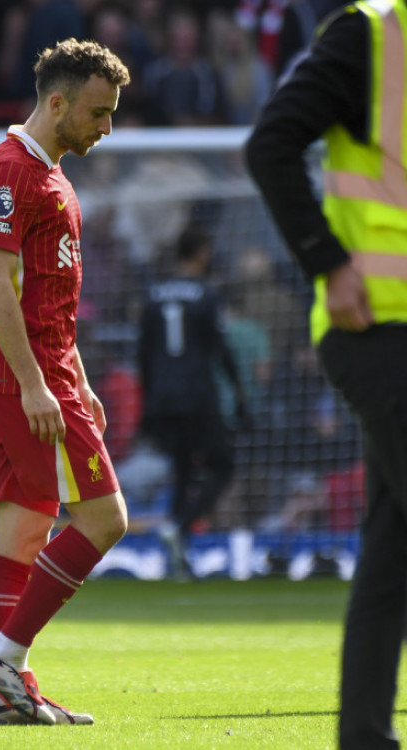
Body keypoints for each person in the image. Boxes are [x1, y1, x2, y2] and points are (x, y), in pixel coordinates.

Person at [245, 1, 407, 745]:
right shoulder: (371, 30)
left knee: (393, 545)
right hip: (376, 324)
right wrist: (327, 261)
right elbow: (271, 144)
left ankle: (363, 736)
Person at [0, 38, 130, 726]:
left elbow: (48, 296)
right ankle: (5, 656)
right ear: (57, 102)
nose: (106, 127)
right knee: (105, 519)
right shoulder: (11, 172)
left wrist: (80, 376)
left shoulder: (53, 173)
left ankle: (12, 698)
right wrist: (38, 385)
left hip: (47, 368)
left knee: (25, 532)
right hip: (26, 374)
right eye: (98, 112)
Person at [137, 223, 247, 580]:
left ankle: (176, 561)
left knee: (183, 472)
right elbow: (220, 348)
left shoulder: (153, 295)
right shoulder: (207, 294)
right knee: (224, 465)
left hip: (163, 399)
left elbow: (143, 354)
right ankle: (181, 527)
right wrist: (240, 391)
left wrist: (147, 402)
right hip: (198, 395)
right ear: (201, 253)